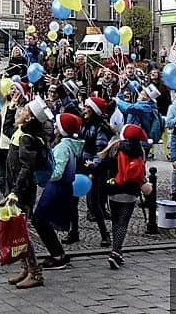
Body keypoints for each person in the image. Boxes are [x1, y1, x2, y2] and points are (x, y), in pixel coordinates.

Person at [4, 96, 48, 289]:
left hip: (21, 190)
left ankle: (36, 273)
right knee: (16, 230)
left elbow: (26, 167)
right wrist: (11, 108)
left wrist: (15, 191)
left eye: (24, 110)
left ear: (29, 118)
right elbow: (6, 130)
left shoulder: (27, 138)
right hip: (14, 188)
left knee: (21, 231)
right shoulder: (20, 131)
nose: (21, 111)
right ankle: (25, 268)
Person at [32, 113, 83, 271]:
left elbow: (57, 172)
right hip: (63, 187)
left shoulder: (62, 147)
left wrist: (42, 174)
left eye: (57, 125)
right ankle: (57, 253)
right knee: (42, 220)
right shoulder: (70, 145)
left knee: (39, 220)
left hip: (56, 187)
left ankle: (57, 255)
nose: (54, 126)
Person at [97, 124, 147, 270]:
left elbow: (103, 165)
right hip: (130, 192)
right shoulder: (140, 150)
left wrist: (91, 168)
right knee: (123, 223)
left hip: (114, 189)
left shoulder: (116, 147)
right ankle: (116, 252)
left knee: (115, 221)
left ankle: (116, 251)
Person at [82, 97, 114, 246]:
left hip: (93, 168)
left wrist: (94, 167)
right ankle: (73, 231)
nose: (83, 109)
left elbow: (100, 151)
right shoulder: (86, 123)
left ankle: (104, 234)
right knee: (73, 201)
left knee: (94, 203)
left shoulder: (100, 128)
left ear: (93, 110)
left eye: (87, 107)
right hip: (82, 164)